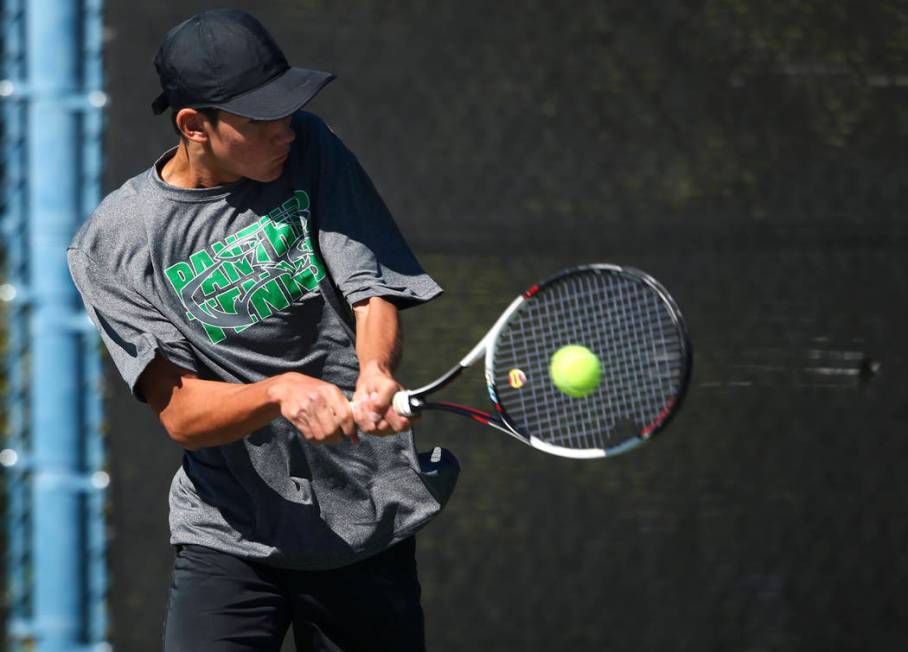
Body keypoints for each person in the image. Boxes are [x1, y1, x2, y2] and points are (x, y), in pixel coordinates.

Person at [67, 8, 458, 651]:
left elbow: (370, 291)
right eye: (259, 119)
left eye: (287, 109)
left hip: (363, 519)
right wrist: (280, 391)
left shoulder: (312, 147)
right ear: (194, 126)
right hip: (229, 534)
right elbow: (181, 413)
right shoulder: (114, 244)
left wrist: (375, 370)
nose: (283, 131)